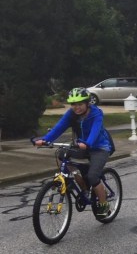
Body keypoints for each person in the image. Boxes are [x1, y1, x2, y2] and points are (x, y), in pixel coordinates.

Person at [33, 87, 115, 217]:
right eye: (73, 104)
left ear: (88, 103)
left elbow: (95, 130)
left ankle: (104, 205)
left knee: (93, 176)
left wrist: (87, 143)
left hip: (99, 148)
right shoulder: (71, 114)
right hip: (81, 146)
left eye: (80, 104)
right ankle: (83, 188)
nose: (77, 108)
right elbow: (58, 128)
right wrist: (44, 140)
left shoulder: (96, 113)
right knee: (62, 155)